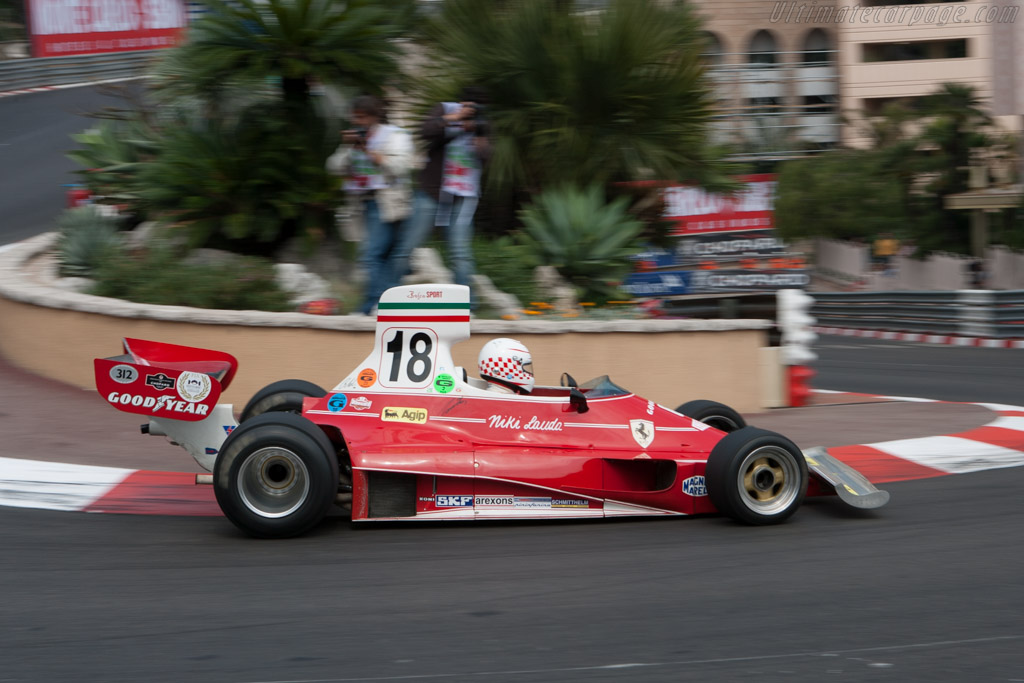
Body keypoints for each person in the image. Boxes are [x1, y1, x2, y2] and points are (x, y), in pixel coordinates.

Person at [390, 86, 492, 302]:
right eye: (469, 106)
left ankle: (467, 308)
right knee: (407, 247)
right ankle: (384, 299)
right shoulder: (444, 110)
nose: (472, 110)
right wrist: (455, 118)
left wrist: (478, 137)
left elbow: (485, 158)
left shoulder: (483, 124)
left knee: (460, 253)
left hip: (462, 197)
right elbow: (425, 131)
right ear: (461, 103)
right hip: (431, 191)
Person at [327, 95, 414, 315]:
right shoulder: (354, 139)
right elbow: (333, 167)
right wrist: (349, 149)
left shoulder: (395, 136)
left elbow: (402, 167)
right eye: (354, 117)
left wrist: (371, 153)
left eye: (362, 117)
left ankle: (375, 304)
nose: (357, 121)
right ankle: (381, 304)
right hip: (361, 203)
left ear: (374, 117)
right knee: (380, 255)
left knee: (371, 254)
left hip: (385, 202)